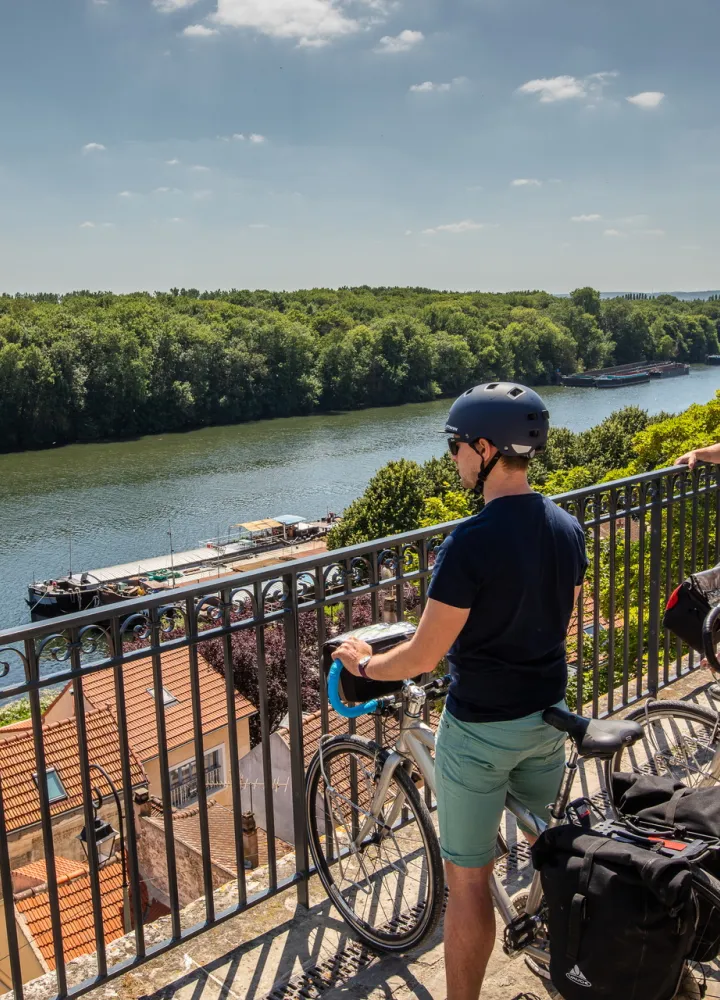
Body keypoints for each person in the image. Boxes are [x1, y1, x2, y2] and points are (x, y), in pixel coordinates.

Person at [334, 382, 588, 1000]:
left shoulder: (469, 542)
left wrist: (367, 664)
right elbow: (564, 620)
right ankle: (560, 937)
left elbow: (424, 656)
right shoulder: (566, 527)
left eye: (456, 446)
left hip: (480, 731)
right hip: (548, 719)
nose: (453, 458)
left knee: (469, 880)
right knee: (544, 846)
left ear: (485, 449)